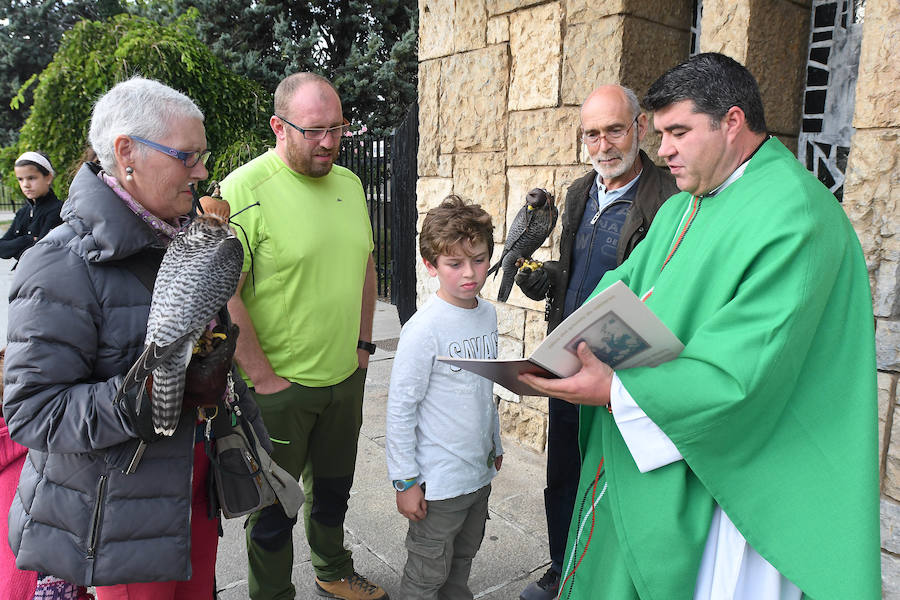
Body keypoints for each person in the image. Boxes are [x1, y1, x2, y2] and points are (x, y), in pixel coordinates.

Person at [520, 52, 880, 599]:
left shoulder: (796, 218)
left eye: (678, 132)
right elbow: (623, 287)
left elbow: (747, 373)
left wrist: (618, 389)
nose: (662, 150)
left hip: (738, 478)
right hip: (664, 438)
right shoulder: (688, 203)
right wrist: (567, 349)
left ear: (731, 122)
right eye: (660, 133)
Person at [3, 77, 269, 599]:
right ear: (126, 153)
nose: (203, 171)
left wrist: (215, 363)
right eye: (188, 156)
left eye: (203, 155)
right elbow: (34, 413)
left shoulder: (176, 237)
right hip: (119, 521)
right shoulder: (59, 264)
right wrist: (147, 397)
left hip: (192, 490)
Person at [221, 72, 384, 600]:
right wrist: (263, 378)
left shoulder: (350, 185)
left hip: (345, 379)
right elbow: (226, 293)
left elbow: (365, 267)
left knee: (334, 490)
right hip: (280, 393)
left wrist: (362, 349)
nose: (330, 142)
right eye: (315, 130)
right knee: (273, 508)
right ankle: (271, 594)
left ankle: (333, 570)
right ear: (278, 126)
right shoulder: (243, 190)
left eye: (338, 127)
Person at [514, 85, 678, 600]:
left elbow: (664, 287)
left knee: (618, 478)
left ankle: (611, 577)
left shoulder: (669, 197)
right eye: (591, 133)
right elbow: (586, 267)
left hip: (626, 369)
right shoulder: (580, 192)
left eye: (614, 129)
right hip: (569, 355)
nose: (603, 144)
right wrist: (549, 278)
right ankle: (562, 565)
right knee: (562, 470)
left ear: (640, 128)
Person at [386, 195, 503, 599]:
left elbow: (484, 389)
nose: (470, 273)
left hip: (477, 474)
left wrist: (496, 442)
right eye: (455, 264)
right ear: (431, 265)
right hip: (437, 483)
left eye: (480, 259)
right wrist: (405, 481)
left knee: (462, 561)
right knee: (426, 574)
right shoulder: (423, 329)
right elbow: (401, 408)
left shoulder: (487, 314)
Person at [0, 151, 63, 267]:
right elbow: (2, 248)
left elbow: (40, 253)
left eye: (31, 178)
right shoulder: (22, 213)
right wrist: (27, 240)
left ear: (48, 177)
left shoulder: (58, 210)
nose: (25, 184)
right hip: (24, 276)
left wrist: (15, 248)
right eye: (20, 179)